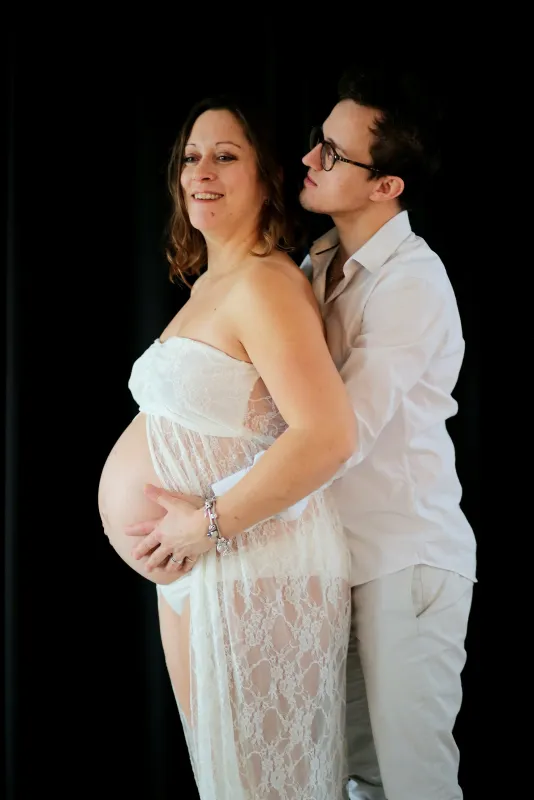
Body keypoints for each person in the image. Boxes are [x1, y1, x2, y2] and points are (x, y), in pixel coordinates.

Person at [130, 68, 477, 800]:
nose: (309, 158)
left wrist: (210, 516)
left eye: (333, 154)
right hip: (333, 558)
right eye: (318, 141)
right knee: (347, 779)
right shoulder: (317, 264)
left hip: (400, 558)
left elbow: (337, 434)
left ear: (386, 186)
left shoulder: (411, 283)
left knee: (410, 780)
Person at [99, 94, 357, 799]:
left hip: (252, 564)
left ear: (267, 178)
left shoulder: (267, 283)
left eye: (224, 156)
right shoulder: (214, 283)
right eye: (191, 157)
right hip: (206, 570)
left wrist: (205, 525)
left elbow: (327, 435)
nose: (201, 172)